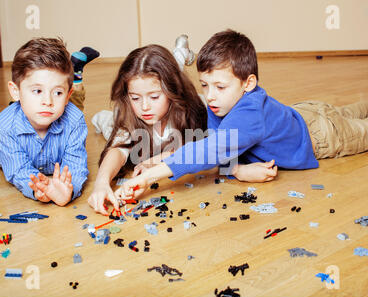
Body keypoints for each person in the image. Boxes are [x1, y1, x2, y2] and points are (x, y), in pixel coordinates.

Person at [115, 29, 368, 201]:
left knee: (361, 129)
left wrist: (151, 176)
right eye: (205, 85)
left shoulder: (248, 112)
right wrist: (237, 169)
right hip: (306, 112)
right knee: (355, 109)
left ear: (248, 83)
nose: (210, 96)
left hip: (323, 135)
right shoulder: (221, 104)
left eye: (220, 87)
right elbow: (215, 146)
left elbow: (212, 150)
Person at [87, 44, 207, 215]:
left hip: (181, 106)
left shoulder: (191, 108)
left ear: (172, 92)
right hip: (116, 120)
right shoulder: (128, 113)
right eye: (135, 98)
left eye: (154, 97)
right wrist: (101, 183)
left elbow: (192, 147)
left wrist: (154, 161)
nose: (144, 107)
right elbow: (117, 150)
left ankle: (179, 55)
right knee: (105, 120)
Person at [0, 37, 91, 206]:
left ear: (67, 96)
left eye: (57, 93)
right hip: (12, 128)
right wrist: (39, 189)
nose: (47, 101)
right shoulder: (5, 127)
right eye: (37, 90)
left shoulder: (75, 121)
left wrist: (68, 189)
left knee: (76, 109)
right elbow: (18, 169)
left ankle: (74, 78)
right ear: (15, 91)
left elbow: (76, 164)